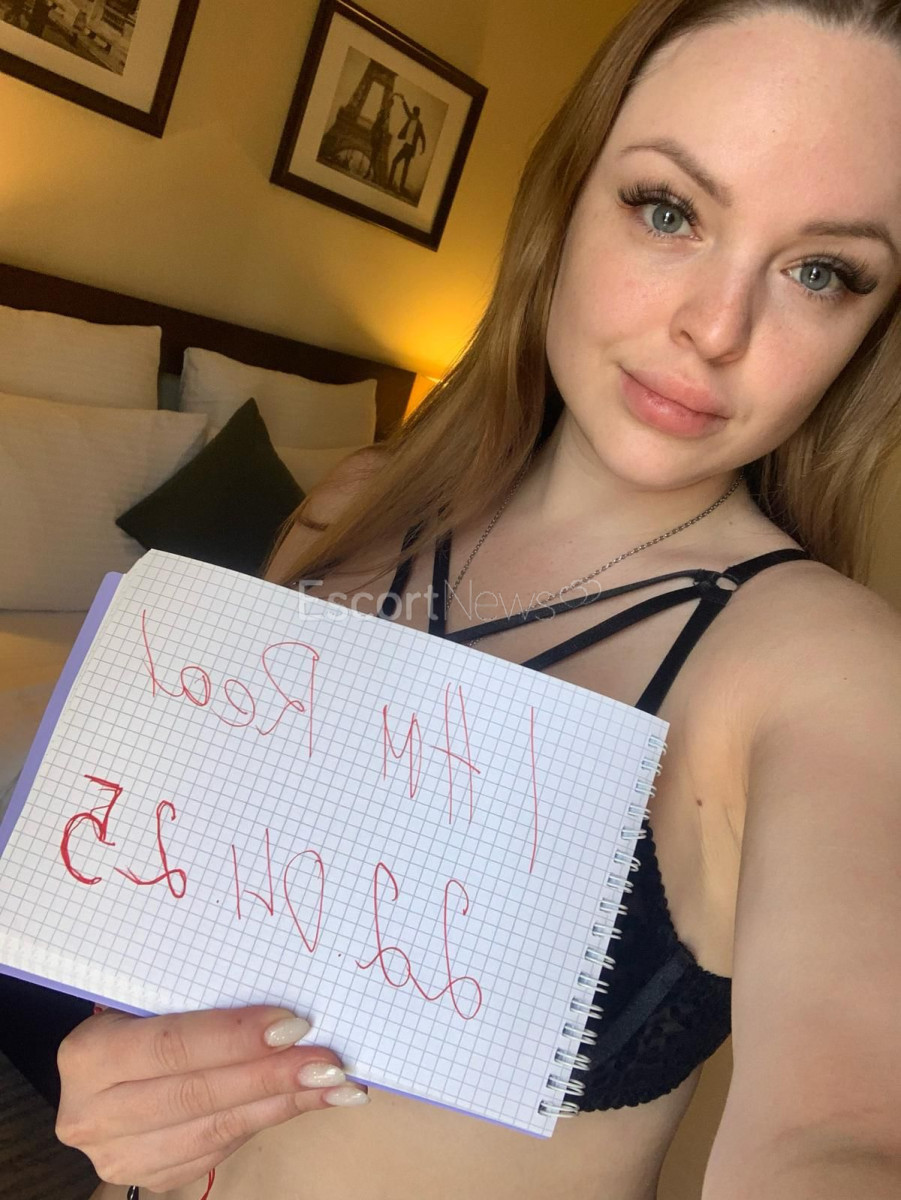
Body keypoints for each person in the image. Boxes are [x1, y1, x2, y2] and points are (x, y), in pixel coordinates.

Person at [61, 2, 901, 1197]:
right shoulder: (348, 510)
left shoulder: (829, 669)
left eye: (820, 272)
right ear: (566, 201)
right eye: (668, 210)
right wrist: (119, 1087)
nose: (714, 330)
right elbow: (167, 944)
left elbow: (848, 1132)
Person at [389, 96, 426, 194]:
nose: (411, 115)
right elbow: (406, 110)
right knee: (397, 163)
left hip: (410, 148)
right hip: (406, 146)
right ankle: (393, 185)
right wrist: (403, 100)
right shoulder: (410, 119)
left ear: (416, 115)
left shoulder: (419, 125)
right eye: (412, 113)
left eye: (413, 114)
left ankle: (398, 186)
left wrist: (423, 149)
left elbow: (423, 138)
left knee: (402, 166)